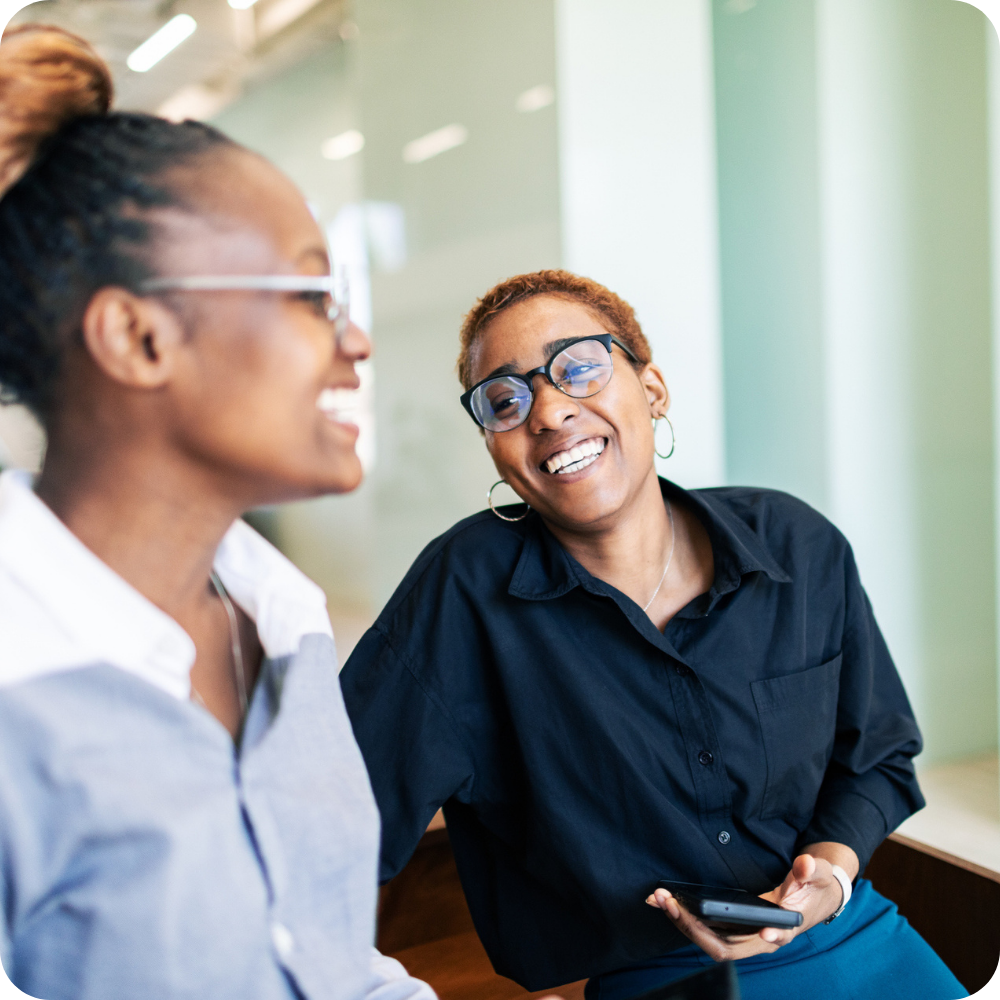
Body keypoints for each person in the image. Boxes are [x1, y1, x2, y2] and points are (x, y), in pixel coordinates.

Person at [339, 270, 969, 999]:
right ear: (494, 446)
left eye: (578, 366)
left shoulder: (797, 546)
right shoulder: (463, 588)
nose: (547, 410)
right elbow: (337, 826)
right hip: (654, 977)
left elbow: (880, 757)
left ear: (653, 389)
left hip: (848, 932)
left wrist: (825, 875)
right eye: (505, 400)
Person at [0, 24, 435, 1000]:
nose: (356, 339)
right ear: (139, 336)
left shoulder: (282, 618)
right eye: (312, 292)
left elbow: (334, 964)